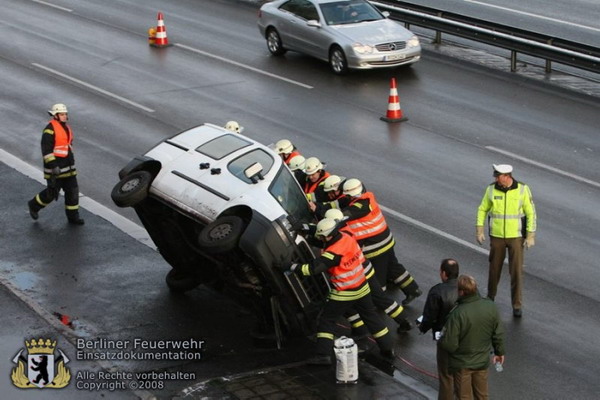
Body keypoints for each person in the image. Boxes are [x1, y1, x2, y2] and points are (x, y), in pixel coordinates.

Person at [280, 218, 395, 365]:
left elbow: (311, 269)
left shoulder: (333, 253)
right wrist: (305, 228)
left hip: (344, 292)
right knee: (371, 317)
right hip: (362, 286)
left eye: (322, 237)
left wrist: (290, 266)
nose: (321, 239)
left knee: (327, 320)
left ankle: (323, 355)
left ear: (328, 236)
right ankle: (388, 349)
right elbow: (322, 238)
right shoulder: (346, 237)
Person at [326, 209, 412, 334]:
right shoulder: (346, 230)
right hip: (365, 269)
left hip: (359, 273)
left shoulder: (340, 236)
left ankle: (362, 330)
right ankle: (403, 320)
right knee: (380, 298)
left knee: (358, 304)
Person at [341, 178, 422, 306]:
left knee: (378, 276)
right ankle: (413, 289)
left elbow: (344, 215)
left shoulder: (359, 206)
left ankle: (381, 301)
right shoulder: (368, 198)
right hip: (385, 241)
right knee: (393, 266)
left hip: (375, 247)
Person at [476, 164, 536, 317]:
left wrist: (530, 235)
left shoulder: (522, 189)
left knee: (516, 271)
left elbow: (531, 212)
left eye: (498, 176)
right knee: (494, 269)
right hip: (497, 237)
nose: (496, 179)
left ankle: (517, 304)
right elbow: (482, 208)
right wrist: (479, 229)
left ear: (507, 176)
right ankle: (490, 297)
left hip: (516, 237)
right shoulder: (491, 189)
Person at [440, 275, 505, 400]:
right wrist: (499, 352)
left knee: (464, 397)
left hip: (462, 365)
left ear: (462, 292)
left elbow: (450, 344)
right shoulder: (490, 306)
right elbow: (498, 333)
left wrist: (442, 339)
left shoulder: (457, 314)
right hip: (481, 362)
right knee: (482, 396)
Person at [28, 103, 84, 225]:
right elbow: (47, 150)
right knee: (51, 194)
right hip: (55, 170)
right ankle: (33, 205)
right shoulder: (50, 129)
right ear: (55, 115)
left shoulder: (67, 128)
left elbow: (67, 147)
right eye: (62, 114)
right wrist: (53, 166)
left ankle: (73, 217)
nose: (64, 116)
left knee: (73, 193)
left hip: (69, 169)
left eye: (65, 114)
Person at [417, 259, 460, 400]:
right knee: (462, 375)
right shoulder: (467, 288)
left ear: (444, 273)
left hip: (445, 338)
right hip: (465, 337)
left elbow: (429, 316)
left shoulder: (437, 291)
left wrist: (423, 327)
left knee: (446, 376)